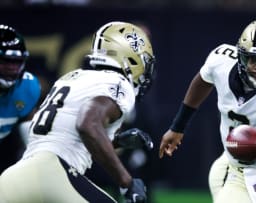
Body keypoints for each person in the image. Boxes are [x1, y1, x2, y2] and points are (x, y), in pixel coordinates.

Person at [159, 17, 256, 203]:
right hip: (239, 173)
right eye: (252, 59)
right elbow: (202, 81)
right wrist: (178, 126)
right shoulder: (221, 60)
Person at [0, 21, 155, 203]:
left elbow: (66, 136)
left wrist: (116, 141)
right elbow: (87, 125)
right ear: (130, 57)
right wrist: (127, 182)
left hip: (15, 177)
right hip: (53, 175)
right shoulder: (118, 83)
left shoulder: (70, 78)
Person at [0, 24, 41, 173]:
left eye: (16, 61)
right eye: (5, 61)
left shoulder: (28, 87)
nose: (12, 67)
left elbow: (28, 130)